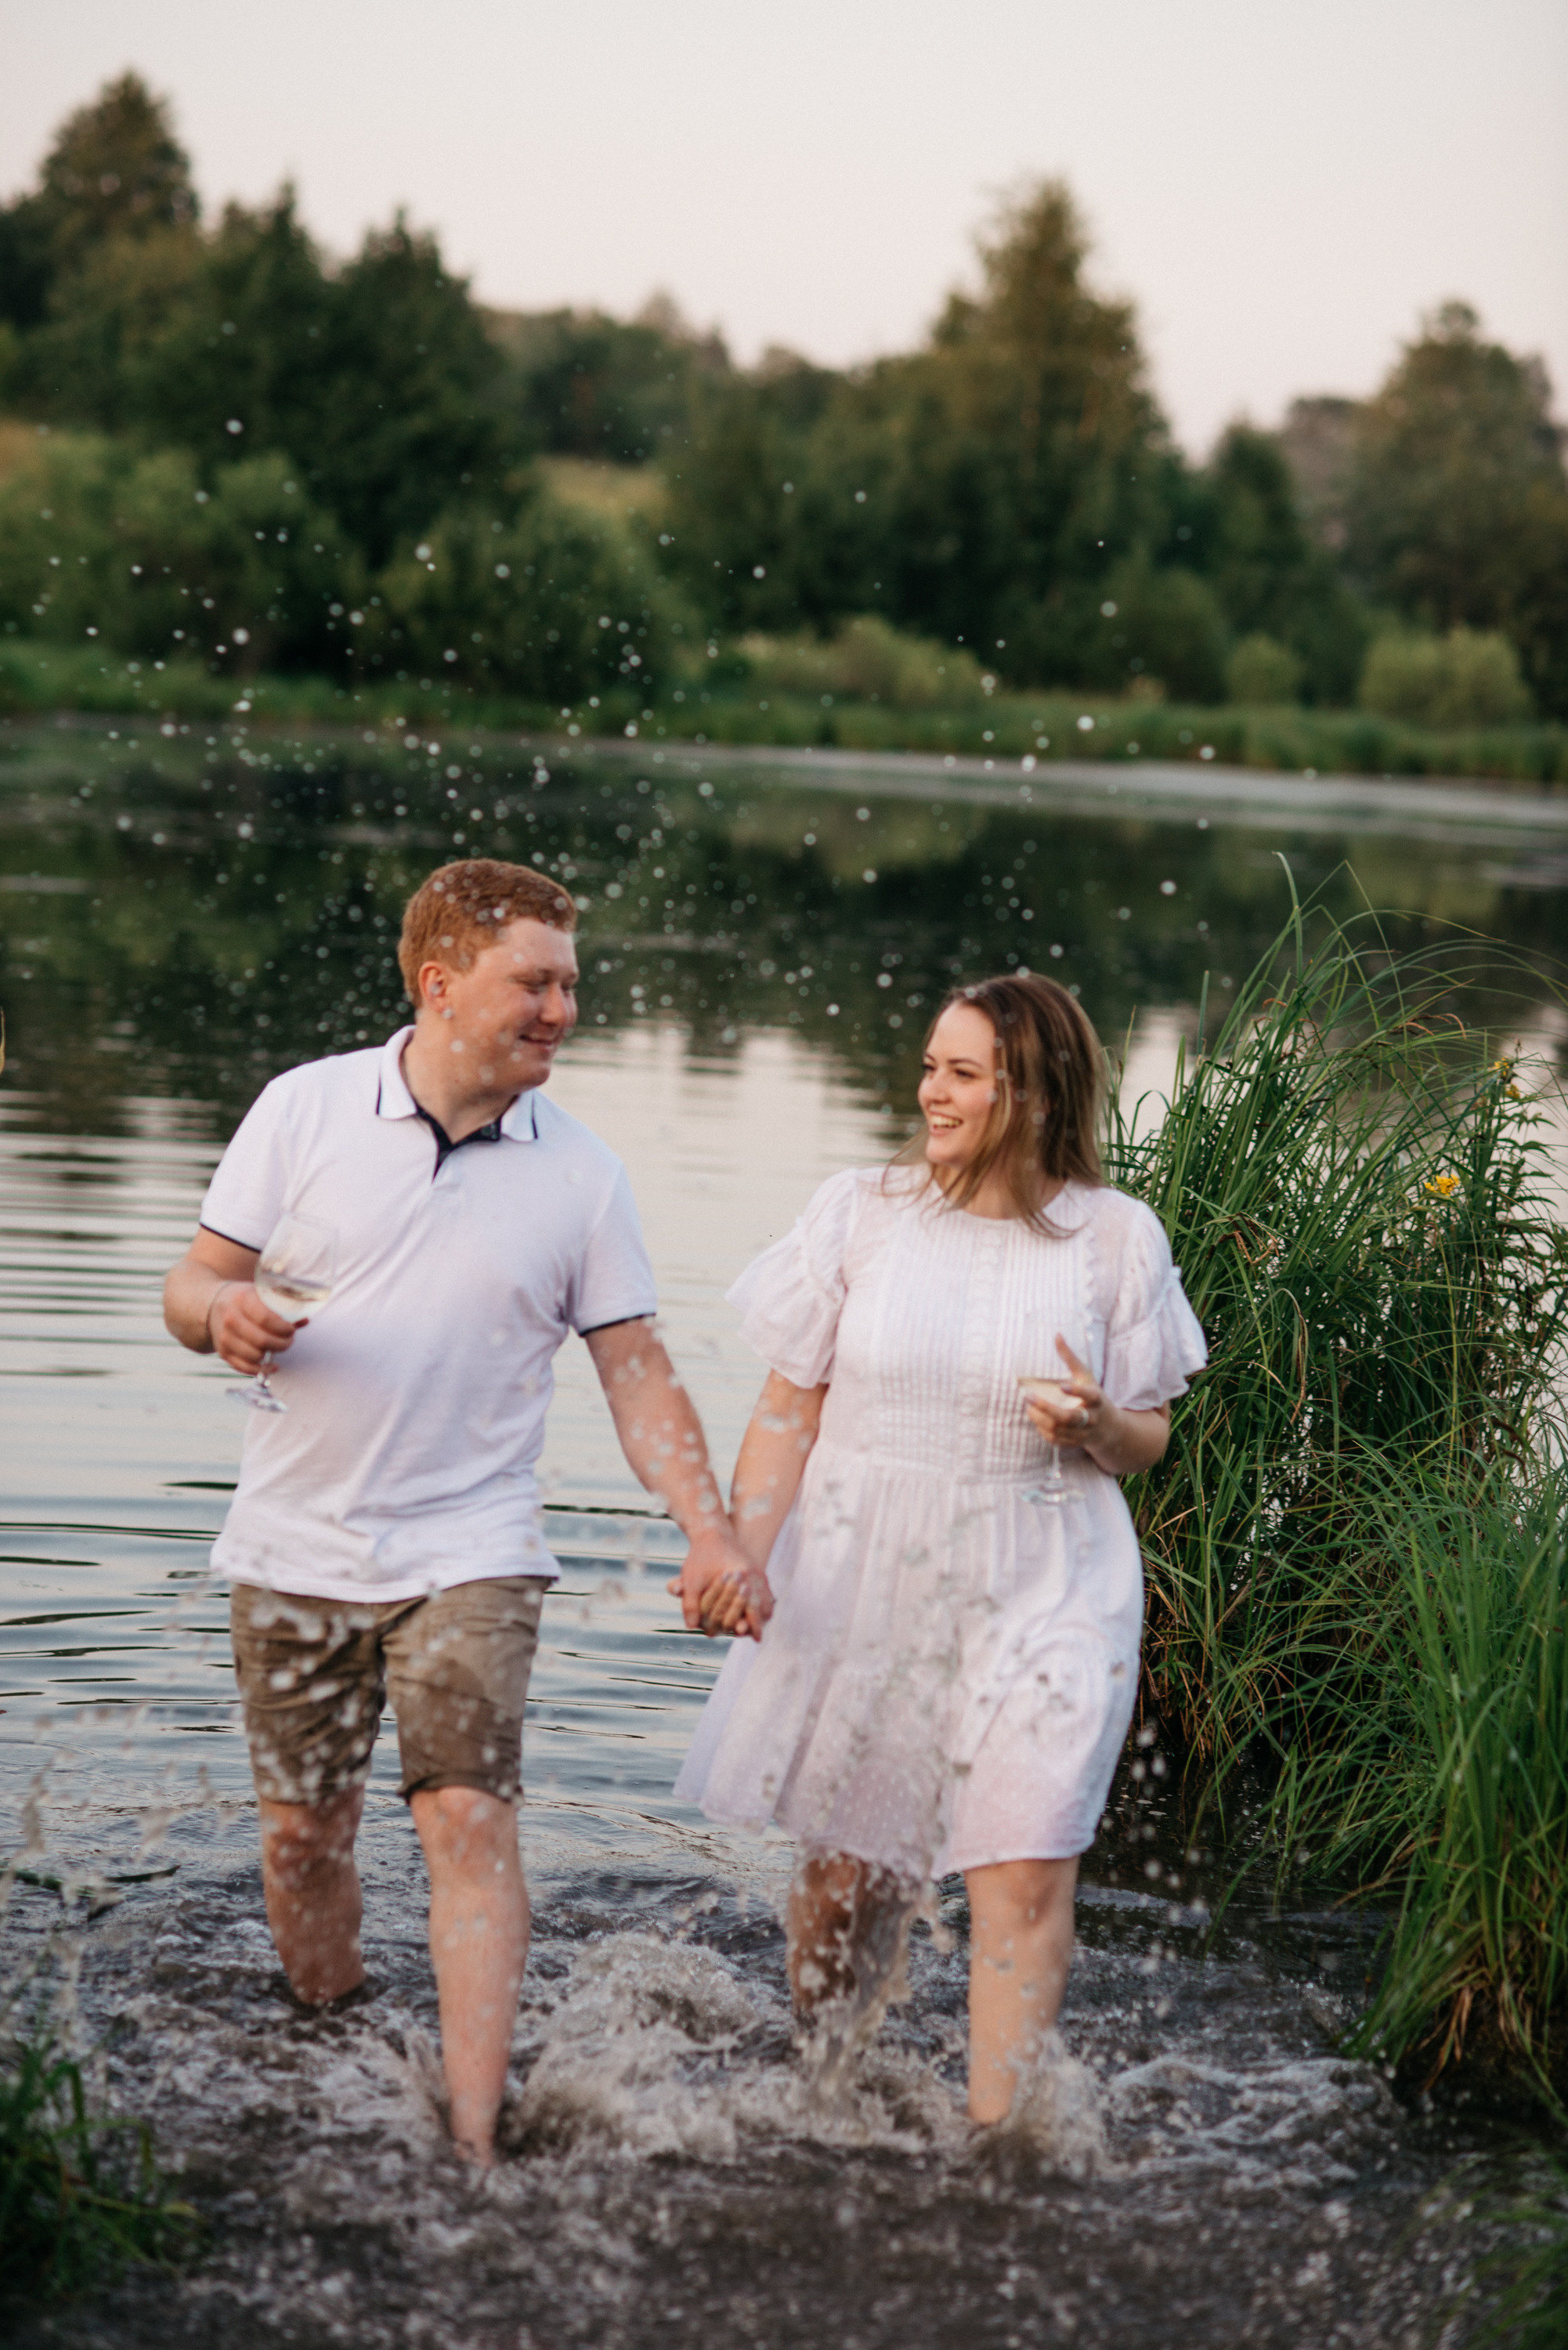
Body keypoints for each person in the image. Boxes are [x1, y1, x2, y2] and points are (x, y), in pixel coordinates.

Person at [164, 858, 763, 2167]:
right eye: (532, 983)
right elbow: (191, 1284)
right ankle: (328, 2038)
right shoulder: (304, 1109)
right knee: (303, 1840)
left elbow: (636, 1372)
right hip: (294, 1543)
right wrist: (226, 1317)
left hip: (475, 1549)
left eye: (570, 985)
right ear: (439, 985)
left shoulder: (584, 1174)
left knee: (468, 1816)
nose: (560, 1010)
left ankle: (475, 2140)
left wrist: (709, 1531)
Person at [673, 974, 1206, 2123]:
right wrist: (739, 1552)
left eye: (961, 1073)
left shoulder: (1112, 1238)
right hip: (865, 1574)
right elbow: (785, 1413)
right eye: (929, 1067)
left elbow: (1147, 1436)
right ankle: (824, 2091)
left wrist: (1094, 1424)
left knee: (1025, 1862)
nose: (931, 1091)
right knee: (842, 1882)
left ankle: (996, 2149)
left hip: (1049, 1577)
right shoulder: (858, 1211)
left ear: (1034, 1091)